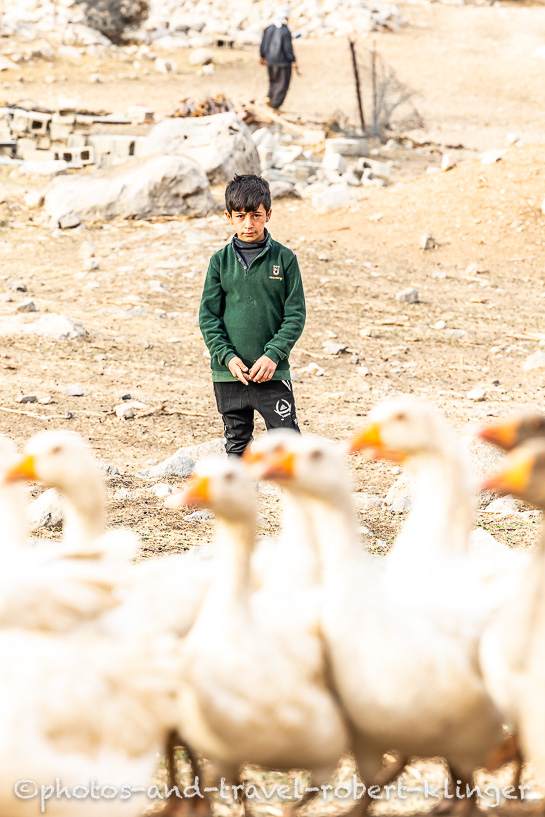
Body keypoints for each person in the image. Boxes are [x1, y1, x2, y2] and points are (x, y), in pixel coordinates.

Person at [199, 174, 305, 457]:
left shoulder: (284, 259)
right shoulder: (219, 262)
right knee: (236, 446)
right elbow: (208, 317)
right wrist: (227, 356)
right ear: (228, 217)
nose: (249, 224)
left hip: (271, 372)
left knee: (288, 446)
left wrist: (273, 355)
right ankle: (236, 501)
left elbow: (295, 315)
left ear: (268, 214)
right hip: (230, 374)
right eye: (241, 216)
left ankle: (294, 501)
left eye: (256, 215)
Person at [260, 6, 299, 110]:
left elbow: (263, 44)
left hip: (270, 60)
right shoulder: (285, 31)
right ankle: (275, 106)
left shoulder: (268, 29)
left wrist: (262, 56)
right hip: (282, 62)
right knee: (282, 85)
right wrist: (293, 60)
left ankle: (269, 98)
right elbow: (287, 48)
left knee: (273, 81)